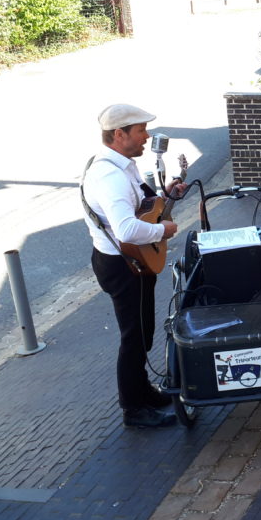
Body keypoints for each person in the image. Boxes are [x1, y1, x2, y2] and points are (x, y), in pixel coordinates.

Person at [81, 104, 183, 429]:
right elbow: (126, 229)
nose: (147, 136)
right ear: (119, 134)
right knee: (133, 337)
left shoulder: (123, 165)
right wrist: (162, 231)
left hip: (132, 261)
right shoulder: (109, 175)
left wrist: (165, 195)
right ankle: (133, 409)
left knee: (142, 332)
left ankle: (145, 393)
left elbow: (139, 205)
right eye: (140, 130)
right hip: (123, 265)